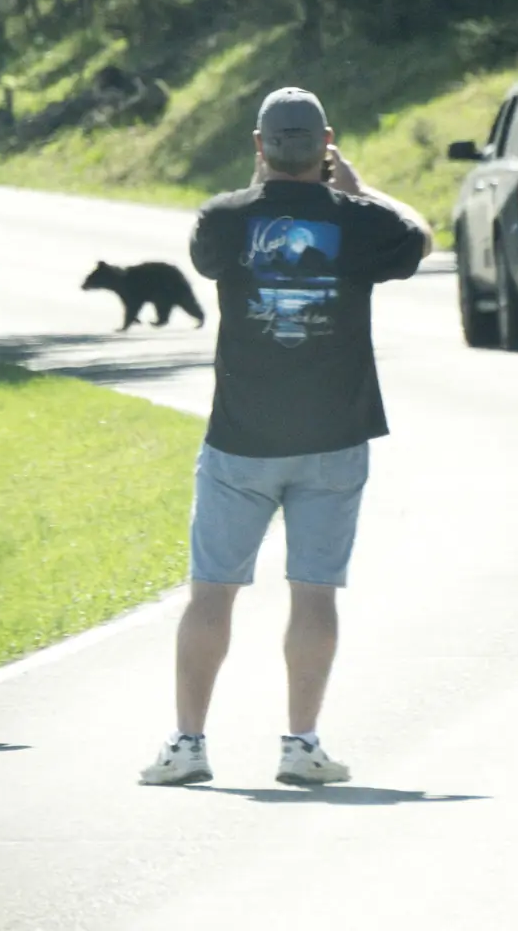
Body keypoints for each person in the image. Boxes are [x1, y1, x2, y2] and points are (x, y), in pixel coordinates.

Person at [139, 87, 432, 788]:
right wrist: (359, 189)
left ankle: (187, 744)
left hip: (241, 439)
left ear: (259, 145)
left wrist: (261, 182)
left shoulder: (222, 218)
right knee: (315, 594)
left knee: (212, 593)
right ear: (327, 144)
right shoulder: (358, 221)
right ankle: (301, 745)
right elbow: (420, 236)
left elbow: (213, 254)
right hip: (334, 438)